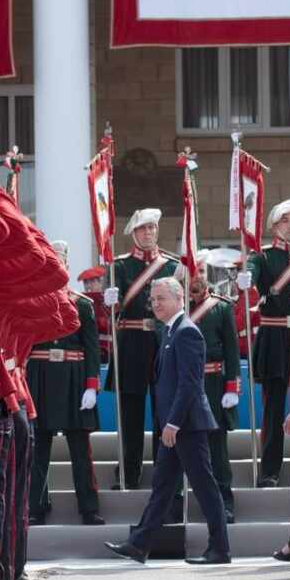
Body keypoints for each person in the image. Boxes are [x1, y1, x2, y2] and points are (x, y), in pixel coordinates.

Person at [105, 278, 233, 565]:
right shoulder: (169, 332)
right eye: (153, 299)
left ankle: (220, 548)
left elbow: (189, 384)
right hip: (174, 427)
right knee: (163, 487)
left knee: (205, 487)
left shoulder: (187, 332)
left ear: (179, 299)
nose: (155, 304)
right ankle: (139, 544)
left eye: (161, 298)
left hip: (186, 426)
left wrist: (172, 424)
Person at [237, 199, 290, 487]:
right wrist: (245, 279)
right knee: (273, 408)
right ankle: (270, 470)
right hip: (274, 337)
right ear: (274, 226)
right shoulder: (262, 256)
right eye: (285, 220)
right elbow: (251, 278)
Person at [28, 242, 105, 526]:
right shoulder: (33, 302)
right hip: (42, 377)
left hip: (74, 378)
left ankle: (88, 507)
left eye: (61, 261)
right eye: (52, 261)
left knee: (80, 450)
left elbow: (92, 348)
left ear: (67, 267)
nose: (56, 266)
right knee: (38, 448)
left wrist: (91, 385)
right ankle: (35, 506)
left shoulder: (82, 304)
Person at [103, 209, 180, 489]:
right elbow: (111, 313)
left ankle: (165, 471)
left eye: (152, 228)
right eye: (143, 229)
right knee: (131, 418)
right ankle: (128, 472)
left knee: (165, 411)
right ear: (133, 234)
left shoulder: (172, 266)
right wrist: (110, 300)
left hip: (163, 344)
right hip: (132, 344)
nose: (148, 233)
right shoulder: (119, 267)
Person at [188, 259, 243, 523]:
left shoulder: (221, 307)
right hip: (187, 386)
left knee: (218, 449)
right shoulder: (177, 309)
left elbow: (232, 350)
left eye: (199, 271)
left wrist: (232, 387)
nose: (196, 276)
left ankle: (225, 503)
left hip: (213, 384)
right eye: (191, 271)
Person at [79, 265, 113, 362]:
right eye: (86, 282)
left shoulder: (107, 300)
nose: (89, 286)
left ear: (101, 282)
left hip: (109, 349)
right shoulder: (80, 302)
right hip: (88, 349)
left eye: (92, 281)